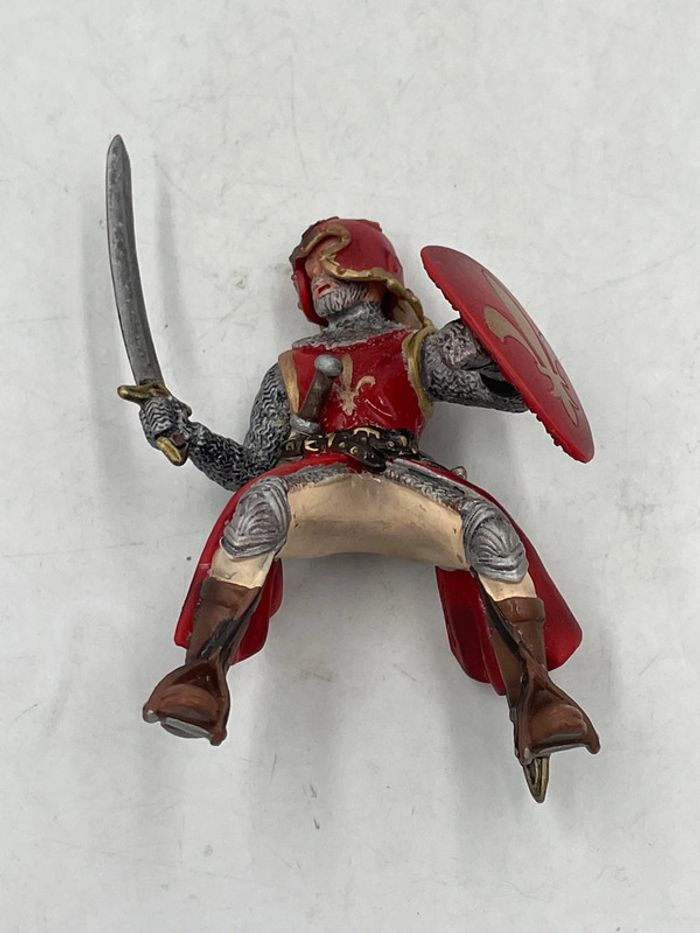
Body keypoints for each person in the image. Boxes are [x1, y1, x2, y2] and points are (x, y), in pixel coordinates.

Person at [135, 217, 599, 801]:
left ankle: (536, 694)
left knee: (491, 531)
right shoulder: (290, 367)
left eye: (331, 263)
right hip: (320, 479)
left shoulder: (414, 347)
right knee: (256, 505)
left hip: (403, 476)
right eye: (310, 271)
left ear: (371, 270)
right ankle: (202, 673)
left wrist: (479, 352)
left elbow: (511, 393)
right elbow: (249, 467)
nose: (319, 278)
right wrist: (189, 435)